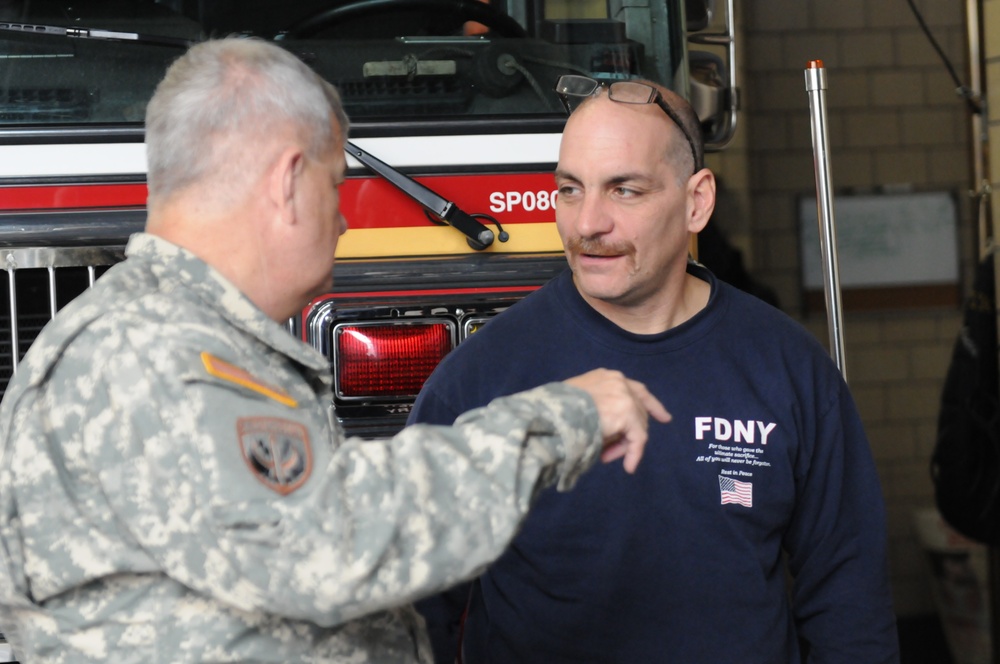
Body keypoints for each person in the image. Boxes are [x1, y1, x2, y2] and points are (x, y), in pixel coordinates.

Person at [0, 39, 671, 663]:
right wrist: (559, 422)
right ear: (287, 182)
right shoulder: (151, 353)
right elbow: (328, 543)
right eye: (333, 185)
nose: (346, 220)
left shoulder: (180, 337)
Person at [410, 75, 900, 663]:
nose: (588, 223)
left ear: (697, 202)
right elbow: (417, 608)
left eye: (624, 191)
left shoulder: (788, 368)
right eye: (570, 189)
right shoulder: (482, 378)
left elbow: (850, 603)